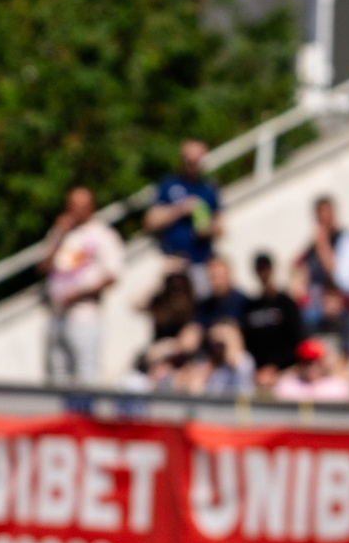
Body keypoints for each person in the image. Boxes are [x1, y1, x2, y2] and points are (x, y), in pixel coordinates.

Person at [41, 186, 123, 385]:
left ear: (91, 207)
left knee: (86, 375)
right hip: (57, 314)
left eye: (81, 205)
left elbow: (112, 275)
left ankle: (85, 416)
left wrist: (78, 294)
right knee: (56, 375)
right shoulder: (60, 233)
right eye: (72, 205)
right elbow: (43, 267)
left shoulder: (103, 234)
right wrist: (59, 234)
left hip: (85, 314)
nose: (75, 210)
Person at [143, 139, 222, 274]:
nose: (193, 163)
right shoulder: (168, 184)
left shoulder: (209, 188)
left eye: (197, 159)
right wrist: (181, 209)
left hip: (203, 262)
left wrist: (207, 229)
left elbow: (221, 226)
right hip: (175, 262)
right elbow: (150, 221)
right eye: (189, 159)